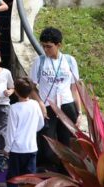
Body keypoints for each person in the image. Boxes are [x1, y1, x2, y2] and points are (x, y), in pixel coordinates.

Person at [30, 27, 82, 172]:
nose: (46, 49)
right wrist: (40, 103)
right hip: (47, 107)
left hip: (67, 105)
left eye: (49, 46)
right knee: (47, 147)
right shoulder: (39, 62)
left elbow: (74, 88)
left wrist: (79, 112)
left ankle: (66, 174)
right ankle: (49, 173)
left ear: (59, 45)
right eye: (43, 46)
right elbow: (32, 87)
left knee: (67, 144)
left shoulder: (70, 61)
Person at [5, 77, 45, 187]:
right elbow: (41, 123)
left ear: (16, 92)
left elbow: (11, 131)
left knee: (13, 178)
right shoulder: (35, 104)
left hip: (16, 149)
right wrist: (31, 130)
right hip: (31, 148)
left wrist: (7, 148)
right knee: (29, 178)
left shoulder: (13, 108)